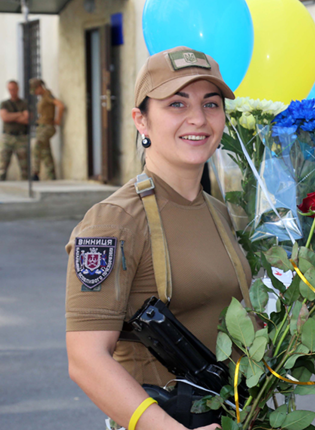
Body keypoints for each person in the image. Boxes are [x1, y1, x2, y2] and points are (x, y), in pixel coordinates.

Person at [65, 46, 251, 430]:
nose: (198, 119)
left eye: (211, 104)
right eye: (177, 104)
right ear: (141, 121)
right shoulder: (113, 221)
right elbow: (85, 358)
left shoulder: (219, 212)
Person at [29, 78, 64, 181]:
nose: (35, 93)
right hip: (42, 127)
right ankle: (51, 176)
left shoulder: (47, 95)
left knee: (37, 146)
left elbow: (60, 106)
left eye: (35, 90)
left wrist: (57, 120)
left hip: (47, 127)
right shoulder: (43, 97)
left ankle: (35, 173)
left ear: (39, 87)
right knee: (45, 152)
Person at [0, 80, 29, 180]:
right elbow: (5, 117)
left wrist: (11, 116)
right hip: (8, 137)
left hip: (21, 137)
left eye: (14, 89)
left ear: (18, 89)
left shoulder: (24, 103)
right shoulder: (4, 104)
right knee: (2, 166)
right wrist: (20, 114)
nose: (12, 91)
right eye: (10, 89)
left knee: (25, 168)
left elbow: (27, 119)